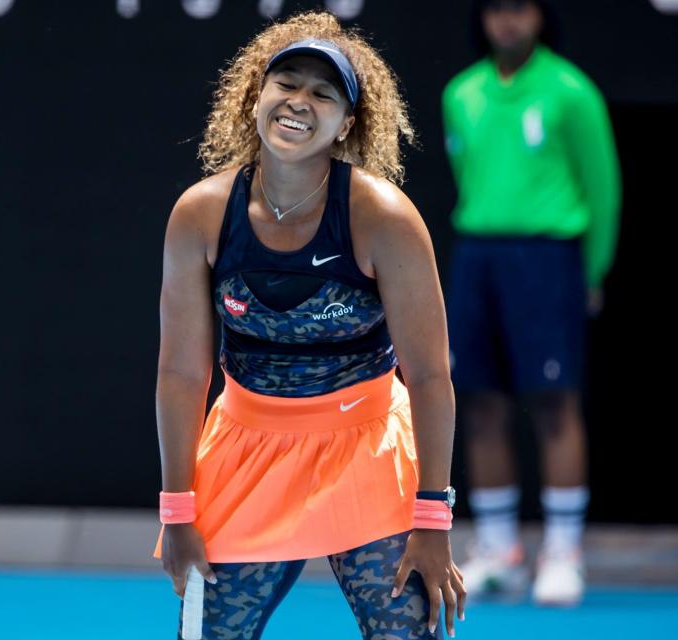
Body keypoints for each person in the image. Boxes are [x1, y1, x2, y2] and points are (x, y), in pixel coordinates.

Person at [152, 11, 465, 640]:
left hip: (367, 451)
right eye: (286, 84)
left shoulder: (384, 217)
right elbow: (183, 373)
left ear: (347, 123)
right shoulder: (201, 214)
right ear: (256, 97)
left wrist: (433, 518)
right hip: (246, 455)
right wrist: (177, 508)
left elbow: (430, 376)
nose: (299, 102)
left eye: (323, 93)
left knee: (411, 630)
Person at [442, 0, 621, 607]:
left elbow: (602, 187)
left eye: (519, 8)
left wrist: (591, 270)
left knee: (553, 404)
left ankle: (563, 552)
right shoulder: (461, 94)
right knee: (482, 404)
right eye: (496, 10)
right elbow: (468, 173)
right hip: (478, 256)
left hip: (548, 259)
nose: (507, 22)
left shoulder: (571, 91)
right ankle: (498, 550)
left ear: (541, 16)